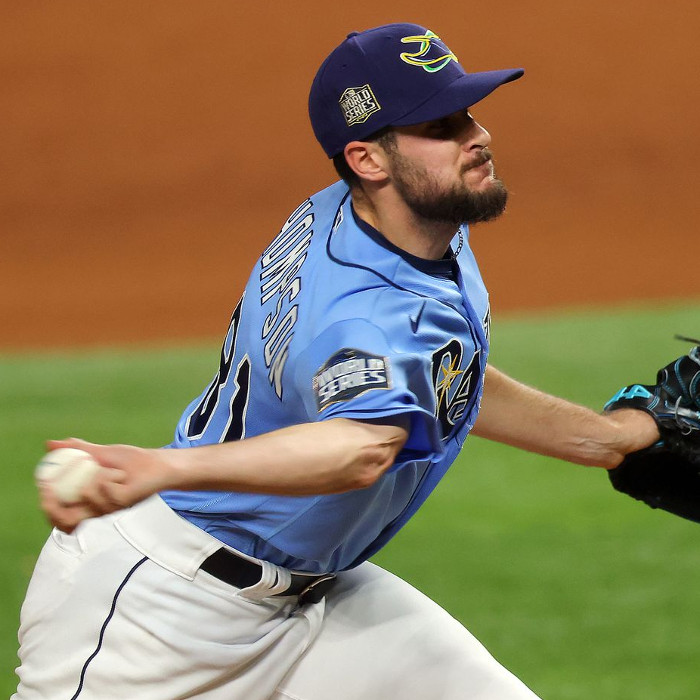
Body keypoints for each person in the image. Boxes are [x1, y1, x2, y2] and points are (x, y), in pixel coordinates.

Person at [13, 23, 659, 700]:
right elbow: (361, 449)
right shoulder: (363, 313)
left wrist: (608, 440)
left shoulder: (396, 222)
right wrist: (164, 468)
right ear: (368, 160)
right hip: (156, 614)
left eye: (468, 112)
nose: (478, 135)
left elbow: (432, 376)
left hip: (314, 601)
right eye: (440, 126)